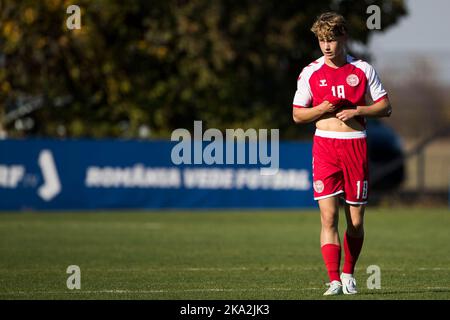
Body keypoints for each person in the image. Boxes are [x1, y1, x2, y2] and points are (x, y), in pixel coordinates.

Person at [292, 12, 391, 295]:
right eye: (322, 40)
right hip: (324, 146)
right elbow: (298, 115)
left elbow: (385, 107)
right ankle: (334, 279)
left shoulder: (362, 69)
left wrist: (358, 110)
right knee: (327, 217)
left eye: (331, 39)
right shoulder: (310, 72)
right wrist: (321, 109)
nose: (326, 46)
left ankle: (349, 273)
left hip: (354, 145)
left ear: (344, 37)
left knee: (356, 221)